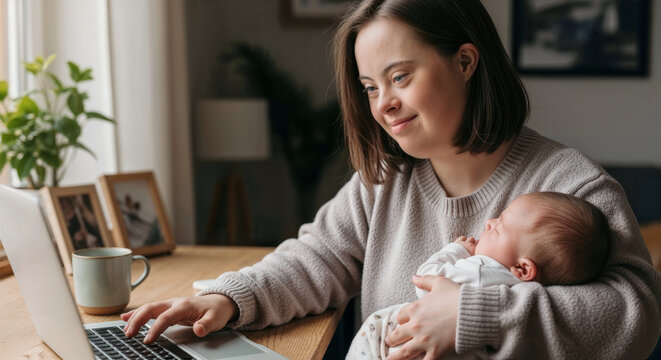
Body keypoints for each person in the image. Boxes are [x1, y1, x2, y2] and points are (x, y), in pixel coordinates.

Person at [121, 0, 661, 358]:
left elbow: (634, 318)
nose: (385, 105)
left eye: (400, 76)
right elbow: (316, 259)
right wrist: (230, 298)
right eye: (370, 87)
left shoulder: (572, 185)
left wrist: (475, 315)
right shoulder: (384, 181)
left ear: (466, 62)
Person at [347, 192, 610, 359]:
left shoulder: (483, 271)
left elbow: (425, 280)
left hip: (392, 344)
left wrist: (457, 250)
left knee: (373, 329)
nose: (489, 222)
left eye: (500, 226)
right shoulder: (518, 291)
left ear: (522, 269)